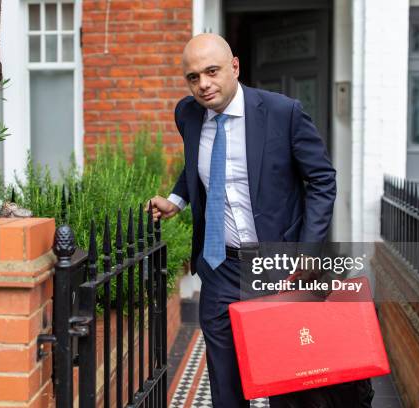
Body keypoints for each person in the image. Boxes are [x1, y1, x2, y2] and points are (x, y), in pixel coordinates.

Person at [148, 33, 372, 407]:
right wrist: (177, 200)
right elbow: (199, 163)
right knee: (225, 384)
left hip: (278, 266)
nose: (203, 84)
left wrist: (308, 249)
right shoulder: (186, 114)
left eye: (212, 71)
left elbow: (322, 180)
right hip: (220, 268)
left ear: (235, 67)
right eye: (193, 77)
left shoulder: (283, 113)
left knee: (287, 383)